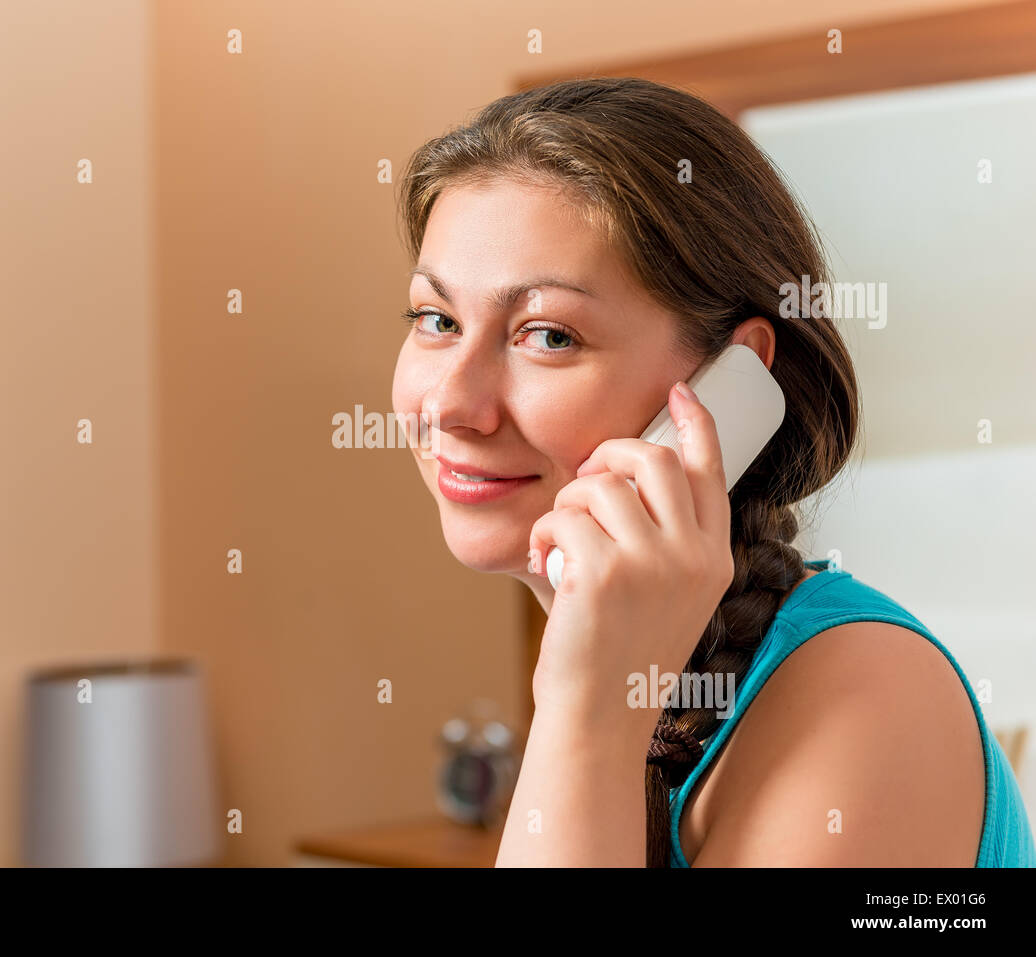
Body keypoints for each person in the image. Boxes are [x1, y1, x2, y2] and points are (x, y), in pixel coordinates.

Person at [390, 76, 1035, 867]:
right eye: (436, 319)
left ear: (733, 380)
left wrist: (588, 712)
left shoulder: (867, 690)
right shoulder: (636, 688)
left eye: (548, 335)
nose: (453, 403)